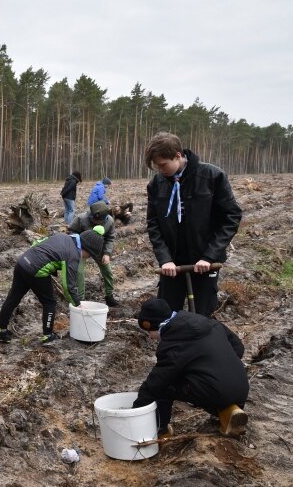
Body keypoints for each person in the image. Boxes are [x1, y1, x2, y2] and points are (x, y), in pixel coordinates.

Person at [145, 132, 242, 316]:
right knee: (166, 317)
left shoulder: (212, 176)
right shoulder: (156, 184)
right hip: (172, 266)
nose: (160, 170)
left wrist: (210, 255)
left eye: (163, 165)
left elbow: (231, 216)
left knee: (201, 318)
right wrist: (165, 259)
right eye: (156, 166)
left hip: (205, 263)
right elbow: (153, 224)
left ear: (178, 155)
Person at [132, 298, 249, 438]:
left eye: (149, 332)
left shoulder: (173, 342)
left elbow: (157, 381)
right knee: (205, 384)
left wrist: (135, 410)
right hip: (241, 387)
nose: (151, 338)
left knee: (165, 388)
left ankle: (160, 430)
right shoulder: (206, 322)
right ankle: (229, 411)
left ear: (152, 325)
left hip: (216, 390)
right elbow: (238, 348)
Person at [0, 228, 105, 344]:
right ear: (87, 249)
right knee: (49, 302)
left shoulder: (63, 236)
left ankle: (1, 330)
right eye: (90, 255)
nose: (87, 257)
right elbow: (68, 286)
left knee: (13, 297)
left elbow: (37, 242)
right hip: (36, 270)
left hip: (22, 262)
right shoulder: (73, 255)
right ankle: (47, 335)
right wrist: (78, 304)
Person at [68, 202, 118, 307]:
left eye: (97, 221)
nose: (94, 221)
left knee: (107, 271)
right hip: (81, 248)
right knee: (79, 272)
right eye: (93, 219)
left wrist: (107, 253)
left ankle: (109, 295)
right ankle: (81, 300)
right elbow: (71, 231)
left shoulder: (109, 221)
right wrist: (77, 247)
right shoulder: (81, 218)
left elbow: (110, 238)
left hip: (99, 248)